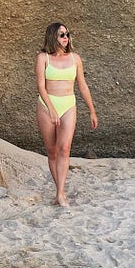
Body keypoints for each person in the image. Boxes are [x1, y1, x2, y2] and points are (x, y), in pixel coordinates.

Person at [36, 22, 97, 207]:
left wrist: (92, 110)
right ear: (53, 36)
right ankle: (59, 192)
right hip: (47, 105)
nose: (66, 37)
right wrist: (52, 109)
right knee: (52, 151)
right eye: (62, 34)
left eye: (67, 34)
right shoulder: (43, 58)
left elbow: (83, 85)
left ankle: (60, 193)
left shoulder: (75, 58)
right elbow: (40, 86)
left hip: (68, 105)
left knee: (64, 148)